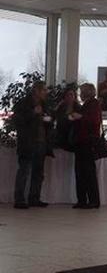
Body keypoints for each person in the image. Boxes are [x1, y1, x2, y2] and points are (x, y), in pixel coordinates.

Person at [12, 81, 52, 209]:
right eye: (44, 90)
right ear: (36, 91)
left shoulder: (44, 104)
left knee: (38, 172)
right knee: (24, 170)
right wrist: (33, 113)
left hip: (41, 141)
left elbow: (49, 119)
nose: (46, 93)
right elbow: (17, 120)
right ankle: (19, 200)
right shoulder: (23, 103)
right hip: (28, 142)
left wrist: (49, 120)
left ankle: (34, 197)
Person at [71, 83, 101, 209]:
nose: (80, 94)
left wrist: (80, 117)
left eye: (82, 92)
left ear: (87, 93)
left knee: (87, 172)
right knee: (81, 172)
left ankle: (92, 200)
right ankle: (82, 199)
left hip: (87, 142)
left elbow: (94, 121)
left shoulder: (93, 104)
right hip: (82, 142)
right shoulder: (88, 104)